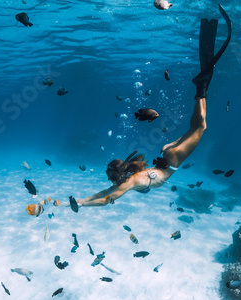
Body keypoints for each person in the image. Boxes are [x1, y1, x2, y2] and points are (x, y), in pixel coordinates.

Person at [71, 5, 232, 210]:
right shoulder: (131, 175)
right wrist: (80, 200)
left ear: (120, 174)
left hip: (171, 158)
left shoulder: (130, 181)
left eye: (111, 177)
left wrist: (82, 204)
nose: (111, 181)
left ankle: (201, 87)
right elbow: (106, 193)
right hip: (166, 154)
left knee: (200, 127)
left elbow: (106, 197)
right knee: (194, 127)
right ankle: (200, 88)